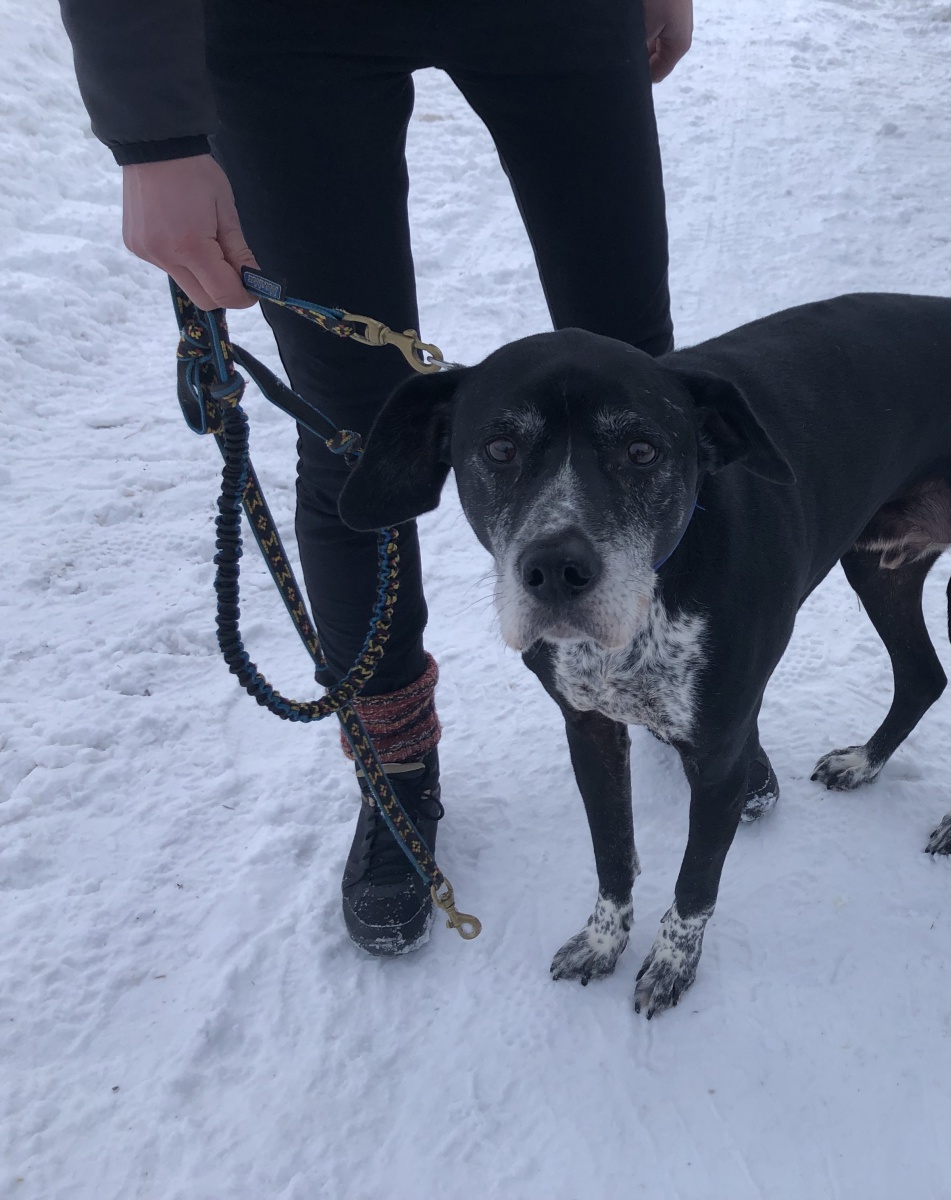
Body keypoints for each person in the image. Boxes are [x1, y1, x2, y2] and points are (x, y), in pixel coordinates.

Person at [58, 0, 691, 956]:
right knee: (351, 437)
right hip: (287, 28)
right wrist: (153, 135)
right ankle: (395, 762)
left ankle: (661, 677)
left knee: (640, 393)